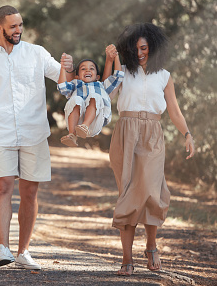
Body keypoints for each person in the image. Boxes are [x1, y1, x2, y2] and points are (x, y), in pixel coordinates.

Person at [0, 5, 73, 270]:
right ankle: (3, 249)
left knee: (30, 192)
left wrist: (68, 67)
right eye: (13, 27)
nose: (18, 30)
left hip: (35, 132)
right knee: (3, 187)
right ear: (0, 27)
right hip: (0, 133)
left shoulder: (37, 53)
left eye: (20, 25)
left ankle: (23, 251)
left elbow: (62, 79)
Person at [104, 23, 195, 276]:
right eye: (135, 49)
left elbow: (174, 111)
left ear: (153, 47)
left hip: (153, 133)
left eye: (144, 48)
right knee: (128, 194)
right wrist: (110, 61)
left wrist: (187, 134)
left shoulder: (164, 76)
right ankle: (126, 258)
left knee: (152, 192)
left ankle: (152, 247)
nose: (140, 52)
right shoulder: (124, 72)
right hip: (125, 132)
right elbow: (105, 93)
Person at [57, 46, 124, 147]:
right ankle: (72, 135)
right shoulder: (75, 85)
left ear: (97, 77)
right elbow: (62, 87)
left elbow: (118, 76)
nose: (87, 70)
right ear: (77, 77)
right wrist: (63, 68)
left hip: (96, 122)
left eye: (91, 68)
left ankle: (85, 125)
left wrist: (116, 56)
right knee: (76, 99)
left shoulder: (102, 86)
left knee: (95, 96)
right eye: (83, 69)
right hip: (76, 124)